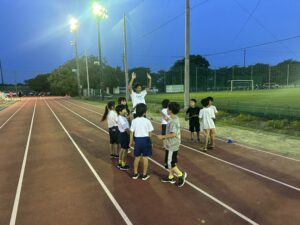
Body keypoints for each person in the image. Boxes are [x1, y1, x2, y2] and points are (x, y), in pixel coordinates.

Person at [158, 102, 187, 187]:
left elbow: (173, 134)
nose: (166, 110)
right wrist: (162, 114)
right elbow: (168, 119)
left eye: (167, 108)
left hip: (172, 144)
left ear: (170, 110)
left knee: (170, 163)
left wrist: (162, 136)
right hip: (170, 144)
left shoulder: (174, 121)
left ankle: (181, 175)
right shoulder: (173, 118)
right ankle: (171, 176)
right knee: (169, 162)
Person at [130, 103, 154, 180]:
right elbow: (150, 133)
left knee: (137, 157)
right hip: (146, 140)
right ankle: (144, 175)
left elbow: (131, 132)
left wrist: (131, 141)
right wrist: (150, 141)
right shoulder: (147, 121)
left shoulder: (134, 121)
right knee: (145, 158)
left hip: (137, 140)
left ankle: (135, 173)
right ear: (145, 112)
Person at [116, 104, 130, 170]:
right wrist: (131, 135)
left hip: (122, 135)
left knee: (122, 149)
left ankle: (120, 163)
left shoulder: (121, 117)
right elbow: (126, 129)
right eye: (124, 110)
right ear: (120, 112)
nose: (125, 110)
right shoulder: (121, 119)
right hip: (124, 135)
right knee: (125, 150)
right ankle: (123, 165)